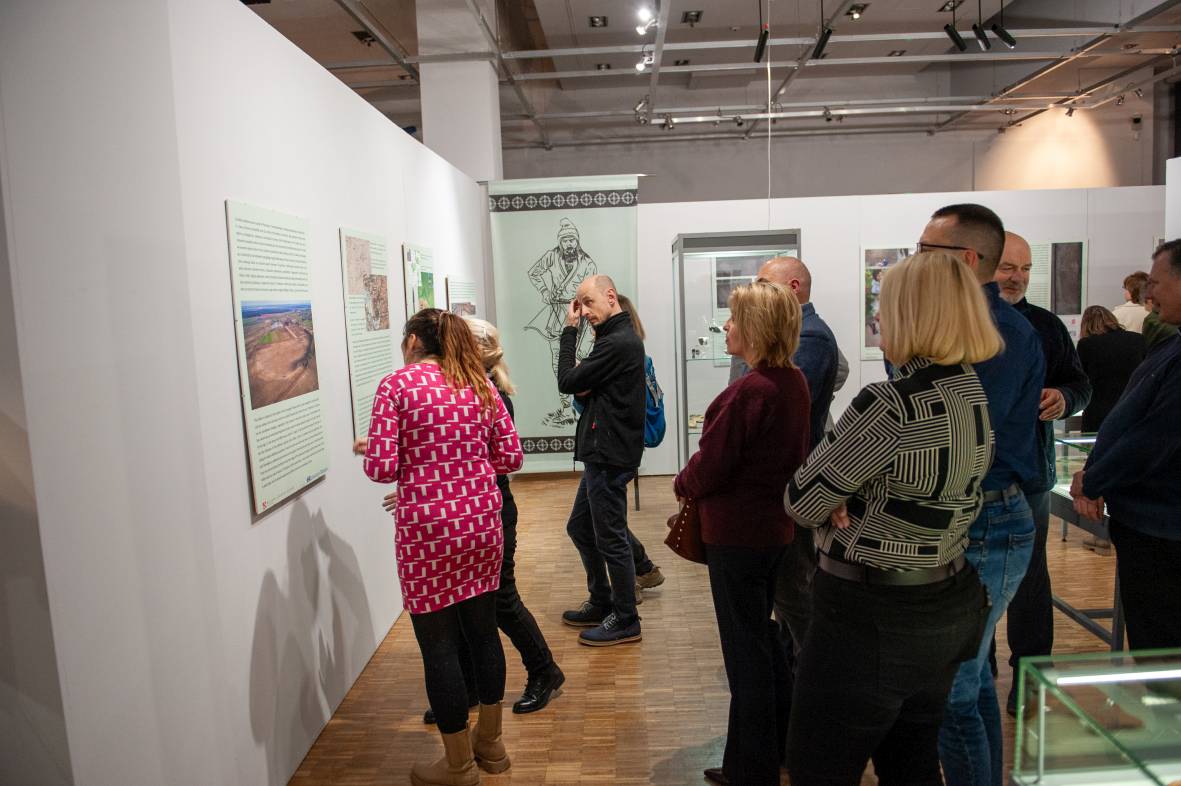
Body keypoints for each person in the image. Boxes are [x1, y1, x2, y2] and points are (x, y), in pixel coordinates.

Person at [784, 252, 997, 786]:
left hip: (871, 615)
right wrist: (844, 492)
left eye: (885, 304)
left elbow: (802, 499)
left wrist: (841, 495)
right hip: (946, 602)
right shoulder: (969, 390)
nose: (877, 316)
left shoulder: (890, 404)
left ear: (914, 314)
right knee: (912, 761)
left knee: (819, 767)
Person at [356, 309, 523, 786]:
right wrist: (466, 467)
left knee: (440, 647)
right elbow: (511, 456)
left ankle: (458, 765)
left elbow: (382, 469)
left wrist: (384, 450)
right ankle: (492, 745)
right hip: (482, 524)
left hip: (427, 533)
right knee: (484, 634)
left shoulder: (397, 385)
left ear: (413, 341)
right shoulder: (478, 383)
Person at [917, 204, 1043, 786]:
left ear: (966, 259)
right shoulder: (978, 328)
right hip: (979, 517)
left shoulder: (998, 334)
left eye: (928, 251)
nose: (918, 261)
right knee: (967, 685)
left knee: (953, 690)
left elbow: (960, 440)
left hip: (987, 519)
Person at [676, 281, 812, 786]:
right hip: (773, 530)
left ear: (755, 328)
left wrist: (682, 482)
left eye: (734, 318)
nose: (727, 326)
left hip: (739, 535)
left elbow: (713, 464)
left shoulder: (753, 390)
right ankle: (776, 747)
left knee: (746, 650)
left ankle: (751, 767)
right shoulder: (792, 381)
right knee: (763, 639)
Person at [414, 318, 565, 723]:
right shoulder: (472, 388)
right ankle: (466, 688)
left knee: (500, 600)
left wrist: (434, 481)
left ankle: (544, 670)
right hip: (477, 509)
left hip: (490, 510)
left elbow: (497, 460)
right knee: (466, 602)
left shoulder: (485, 392)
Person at [727, 256, 839, 749]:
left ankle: (816, 709)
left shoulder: (808, 340)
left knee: (796, 600)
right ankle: (804, 706)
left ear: (792, 288)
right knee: (790, 602)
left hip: (784, 496)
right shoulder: (797, 348)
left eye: (763, 285)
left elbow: (765, 422)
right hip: (781, 494)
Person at [991, 231, 1092, 716]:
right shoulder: (968, 320)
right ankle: (981, 667)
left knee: (1030, 582)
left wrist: (1064, 398)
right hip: (974, 475)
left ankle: (1029, 677)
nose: (1018, 277)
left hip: (1028, 475)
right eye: (1009, 267)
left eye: (1026, 268)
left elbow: (1079, 384)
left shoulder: (1046, 326)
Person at [1071, 239, 1181, 651]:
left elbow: (1156, 438)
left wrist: (1094, 480)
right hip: (1150, 526)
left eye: (1156, 282)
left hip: (1164, 530)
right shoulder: (1170, 347)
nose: (1148, 293)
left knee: (1161, 645)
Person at [558, 275, 647, 646]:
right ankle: (602, 601)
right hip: (603, 452)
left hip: (609, 454)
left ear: (611, 296)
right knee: (581, 527)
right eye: (579, 306)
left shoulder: (617, 342)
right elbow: (579, 384)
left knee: (611, 539)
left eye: (588, 302)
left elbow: (567, 380)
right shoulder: (614, 339)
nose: (583, 311)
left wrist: (569, 329)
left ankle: (626, 619)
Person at [576, 292, 665, 598]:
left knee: (606, 527)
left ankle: (624, 594)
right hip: (613, 448)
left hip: (610, 451)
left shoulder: (617, 356)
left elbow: (592, 408)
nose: (590, 319)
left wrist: (582, 386)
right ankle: (639, 571)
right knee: (593, 523)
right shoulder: (637, 355)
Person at [526, 218, 597, 427]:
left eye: (572, 240)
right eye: (565, 241)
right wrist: (545, 291)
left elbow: (593, 293)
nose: (569, 244)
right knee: (558, 360)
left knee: (581, 359)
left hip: (581, 315)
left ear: (577, 241)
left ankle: (582, 407)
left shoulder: (587, 263)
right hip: (557, 314)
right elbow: (534, 273)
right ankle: (566, 407)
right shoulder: (552, 256)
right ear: (560, 242)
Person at [1077, 305, 1145, 432]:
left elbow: (1081, 378)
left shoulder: (1086, 344)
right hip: (1133, 409)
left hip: (1099, 412)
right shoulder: (1138, 339)